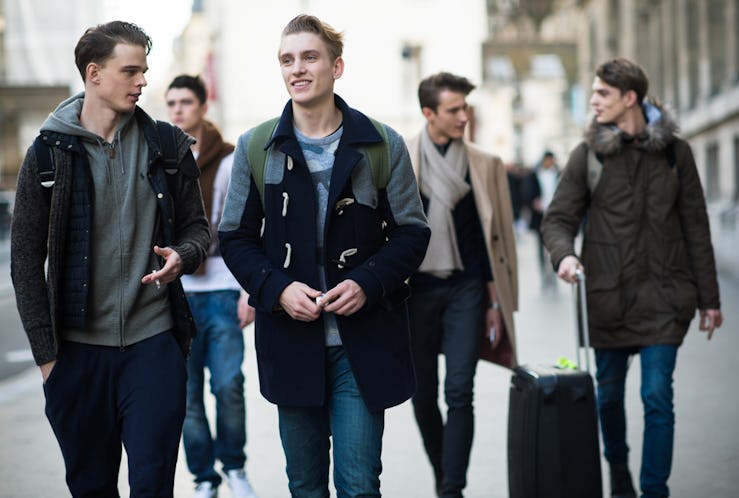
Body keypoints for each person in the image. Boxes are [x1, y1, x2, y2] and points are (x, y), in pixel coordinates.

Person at [218, 14, 430, 497]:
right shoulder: (256, 146)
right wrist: (277, 289)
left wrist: (368, 282)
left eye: (309, 57)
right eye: (287, 59)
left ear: (336, 67)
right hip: (291, 343)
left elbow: (412, 234)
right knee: (305, 484)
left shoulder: (382, 144)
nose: (297, 68)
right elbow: (234, 237)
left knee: (358, 484)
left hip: (364, 343)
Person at [10, 21, 210, 497]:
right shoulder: (46, 155)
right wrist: (47, 361)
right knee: (92, 486)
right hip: (76, 356)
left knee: (152, 485)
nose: (142, 81)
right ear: (94, 73)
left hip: (154, 346)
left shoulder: (168, 146)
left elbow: (199, 230)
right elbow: (23, 262)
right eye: (131, 71)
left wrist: (183, 255)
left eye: (145, 70)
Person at [541, 58, 724, 498]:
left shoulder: (676, 154)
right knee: (607, 400)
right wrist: (564, 257)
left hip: (666, 297)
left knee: (657, 396)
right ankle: (619, 474)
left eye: (602, 93)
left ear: (630, 98)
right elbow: (558, 220)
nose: (593, 101)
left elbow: (696, 226)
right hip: (608, 297)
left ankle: (653, 490)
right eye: (593, 93)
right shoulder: (588, 154)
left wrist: (710, 300)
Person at [404, 72, 518, 498]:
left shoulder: (484, 164)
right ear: (429, 114)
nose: (464, 116)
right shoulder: (402, 157)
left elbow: (497, 238)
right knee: (422, 395)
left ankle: (453, 488)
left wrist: (495, 300)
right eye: (454, 109)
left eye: (466, 107)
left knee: (459, 390)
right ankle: (442, 472)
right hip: (416, 293)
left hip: (467, 288)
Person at [165, 75, 258, 498]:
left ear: (203, 106)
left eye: (186, 102)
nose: (178, 110)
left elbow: (250, 230)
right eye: (171, 103)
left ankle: (234, 467)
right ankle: (204, 477)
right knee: (185, 396)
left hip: (223, 289)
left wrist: (249, 291)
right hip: (177, 293)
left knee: (227, 385)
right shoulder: (164, 159)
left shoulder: (229, 158)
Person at [524, 150, 561, 289]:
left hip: (555, 215)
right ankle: (544, 273)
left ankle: (554, 271)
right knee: (540, 246)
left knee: (554, 245)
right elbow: (527, 192)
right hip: (540, 216)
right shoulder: (535, 175)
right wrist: (534, 202)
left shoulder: (558, 174)